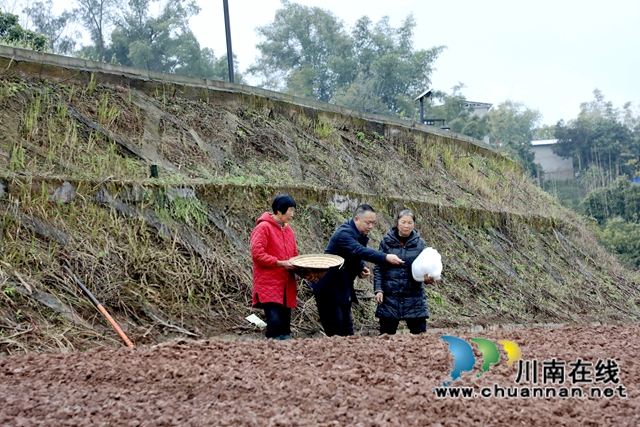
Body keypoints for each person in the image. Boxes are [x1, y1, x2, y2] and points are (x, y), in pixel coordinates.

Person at [310, 204, 404, 337]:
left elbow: (354, 254)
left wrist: (361, 267)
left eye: (373, 223)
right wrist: (385, 257)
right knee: (336, 330)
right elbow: (358, 250)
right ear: (356, 219)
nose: (370, 226)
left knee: (348, 329)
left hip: (343, 287)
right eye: (368, 222)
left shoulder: (359, 233)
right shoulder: (344, 233)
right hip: (328, 289)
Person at [374, 210, 434, 335]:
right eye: (403, 222)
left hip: (414, 297)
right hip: (390, 296)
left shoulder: (420, 244)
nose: (406, 226)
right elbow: (379, 268)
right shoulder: (386, 242)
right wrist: (379, 289)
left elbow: (426, 266)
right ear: (397, 223)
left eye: (410, 223)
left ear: (414, 225)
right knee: (385, 338)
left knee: (420, 338)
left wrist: (428, 278)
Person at [250, 194, 300, 340]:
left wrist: (307, 272)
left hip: (286, 284)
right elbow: (257, 254)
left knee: (285, 326)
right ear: (279, 211)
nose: (292, 214)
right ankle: (271, 356)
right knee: (275, 322)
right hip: (269, 283)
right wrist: (279, 263)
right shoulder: (263, 228)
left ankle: (286, 359)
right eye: (290, 210)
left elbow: (295, 256)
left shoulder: (288, 230)